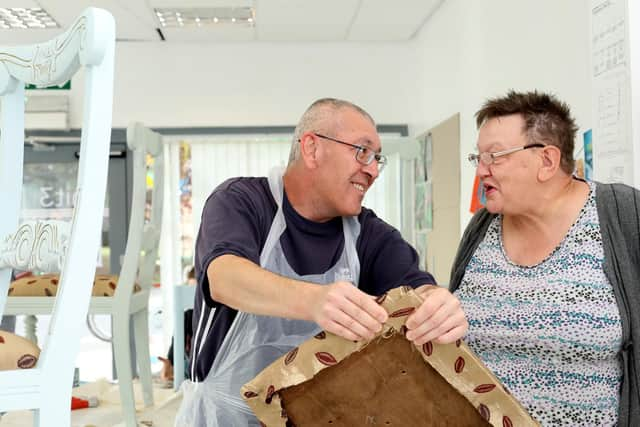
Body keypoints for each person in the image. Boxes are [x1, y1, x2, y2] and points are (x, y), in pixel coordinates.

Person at [176, 98, 468, 426]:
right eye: (362, 151)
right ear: (312, 148)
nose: (372, 170)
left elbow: (416, 288)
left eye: (377, 159)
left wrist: (437, 306)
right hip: (225, 418)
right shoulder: (242, 201)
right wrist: (314, 300)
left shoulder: (368, 234)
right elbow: (224, 277)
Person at [450, 90, 640, 426]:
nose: (481, 170)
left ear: (547, 161)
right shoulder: (481, 227)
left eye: (495, 156)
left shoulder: (623, 216)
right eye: (477, 157)